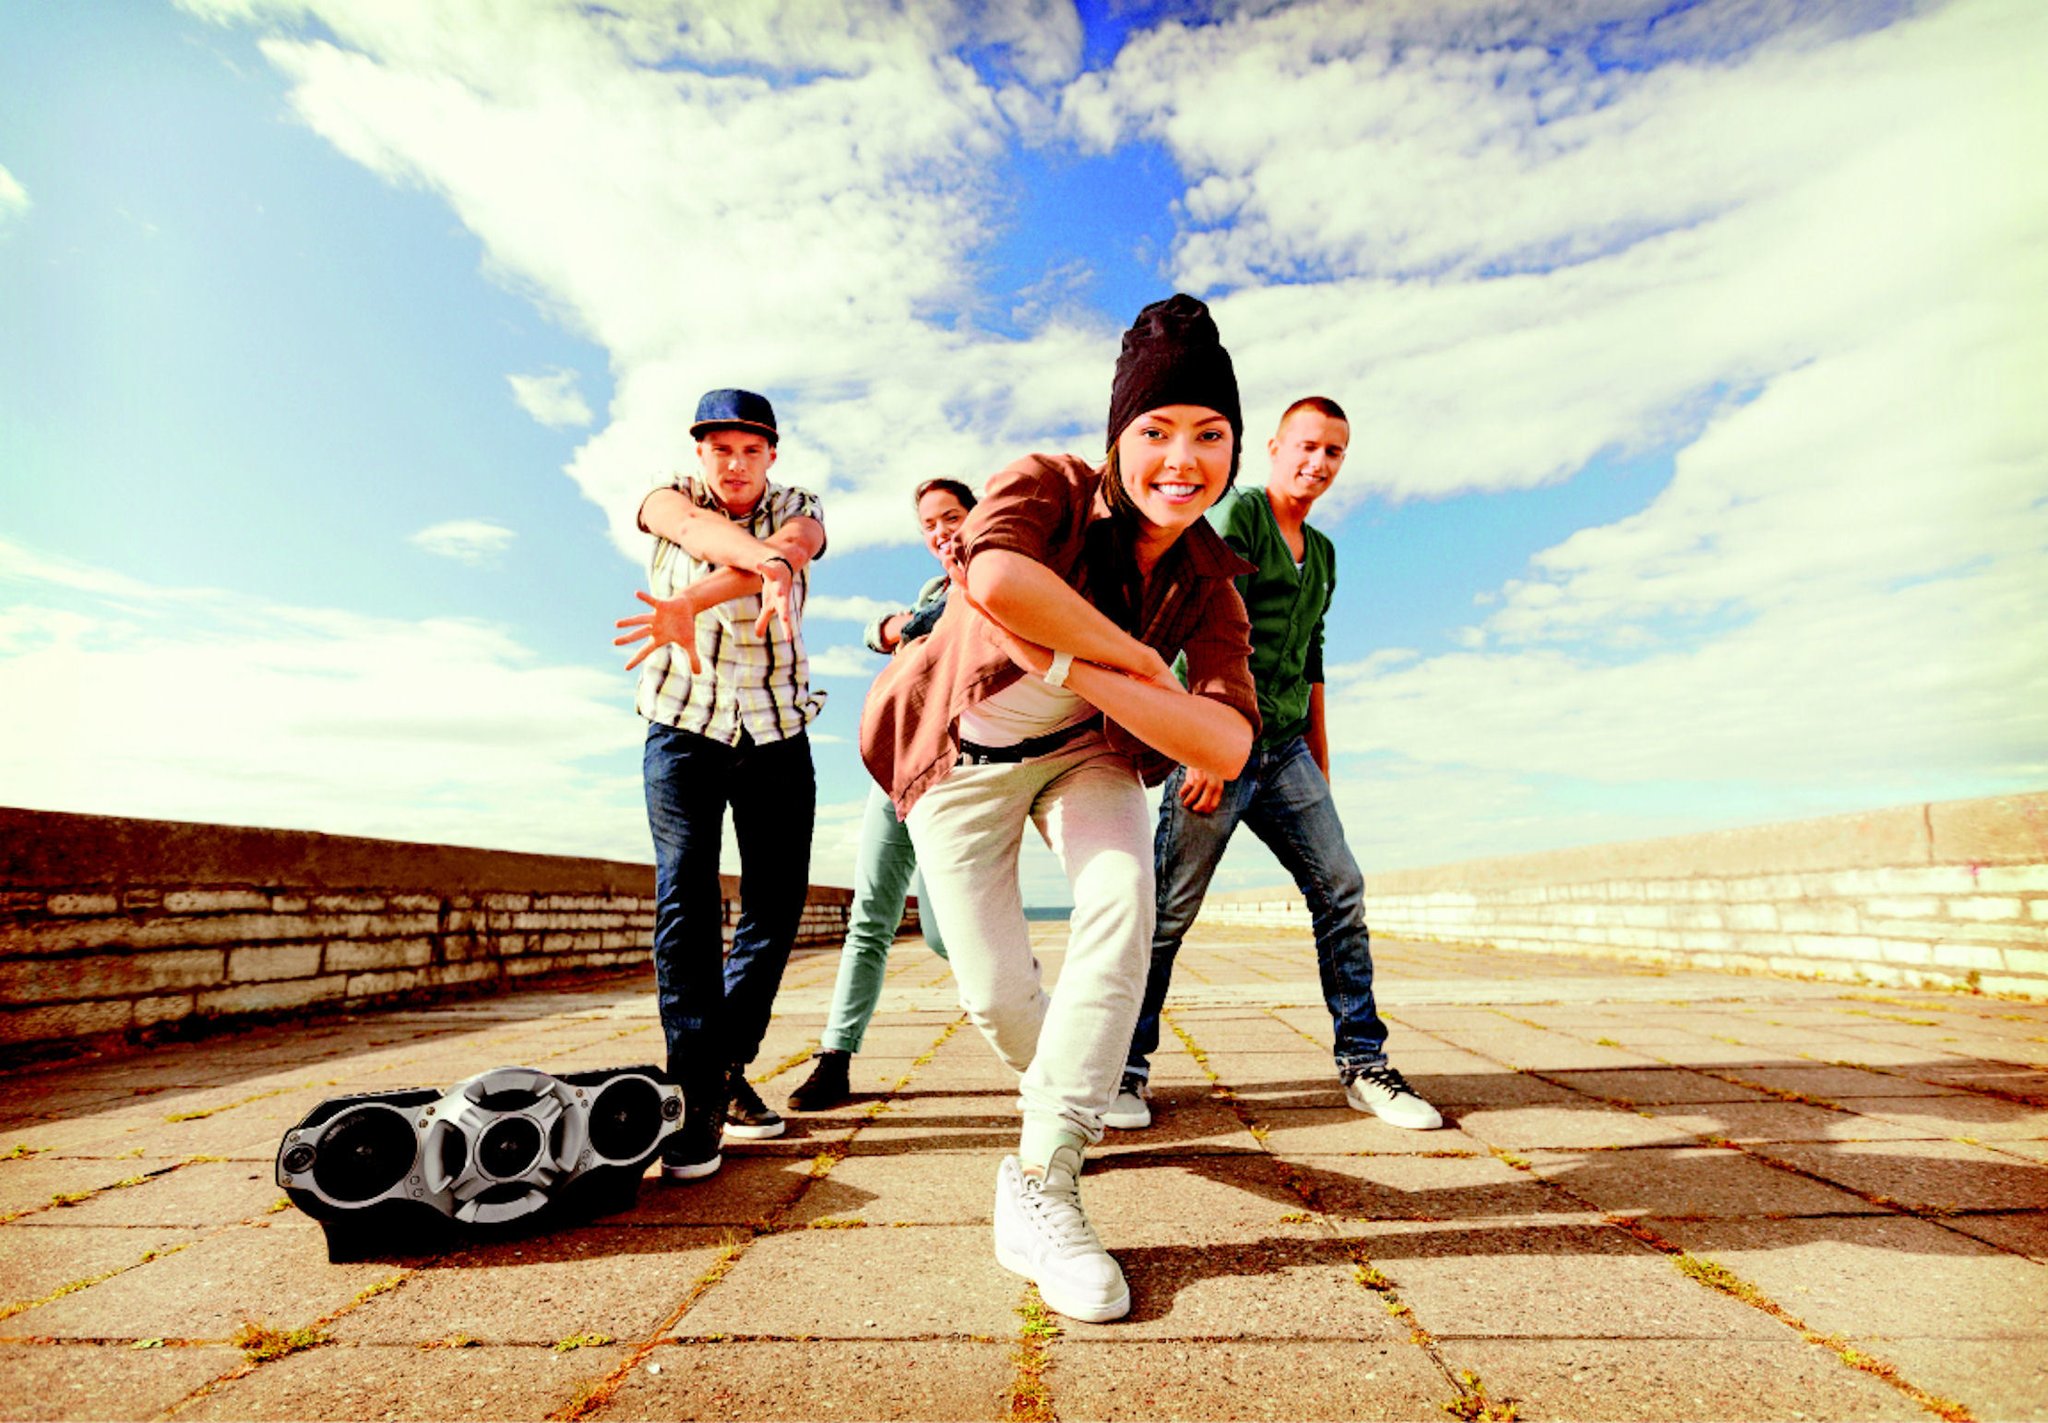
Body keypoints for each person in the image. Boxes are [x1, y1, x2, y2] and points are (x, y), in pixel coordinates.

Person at [860, 294, 1260, 1323]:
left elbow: (1224, 740)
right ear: (1118, 437)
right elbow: (998, 577)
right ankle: (1069, 1093)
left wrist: (1077, 668)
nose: (1183, 459)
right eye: (1156, 430)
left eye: (1210, 435)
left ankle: (1043, 1179)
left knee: (1123, 900)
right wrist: (1141, 664)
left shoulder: (1212, 582)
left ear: (1232, 449)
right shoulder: (1048, 483)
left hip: (1088, 755)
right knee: (996, 995)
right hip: (960, 759)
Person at [1101, 396, 1443, 1134]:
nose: (1318, 462)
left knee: (1341, 890)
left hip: (1285, 750)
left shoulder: (1323, 553)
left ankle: (1364, 1063)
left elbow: (1313, 662)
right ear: (1276, 448)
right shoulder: (1243, 515)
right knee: (1166, 913)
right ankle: (1120, 1070)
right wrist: (1200, 742)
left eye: (1333, 451)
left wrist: (1320, 766)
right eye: (1307, 446)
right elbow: (1200, 616)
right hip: (1219, 743)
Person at [613, 387, 827, 1182]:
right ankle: (697, 1094)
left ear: (771, 453)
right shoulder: (666, 496)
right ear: (699, 452)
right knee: (687, 895)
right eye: (720, 450)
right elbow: (697, 531)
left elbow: (794, 545)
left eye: (750, 450)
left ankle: (725, 1064)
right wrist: (761, 562)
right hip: (682, 727)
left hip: (777, 729)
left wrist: (711, 589)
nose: (735, 465)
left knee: (776, 902)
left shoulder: (799, 505)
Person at [785, 478, 975, 1112]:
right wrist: (890, 624)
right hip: (896, 767)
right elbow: (882, 630)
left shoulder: (998, 578)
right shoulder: (930, 591)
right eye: (930, 524)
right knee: (869, 918)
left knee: (950, 935)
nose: (941, 531)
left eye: (952, 516)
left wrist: (902, 627)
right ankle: (834, 1058)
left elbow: (945, 631)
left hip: (956, 773)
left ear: (977, 517)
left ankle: (1032, 1016)